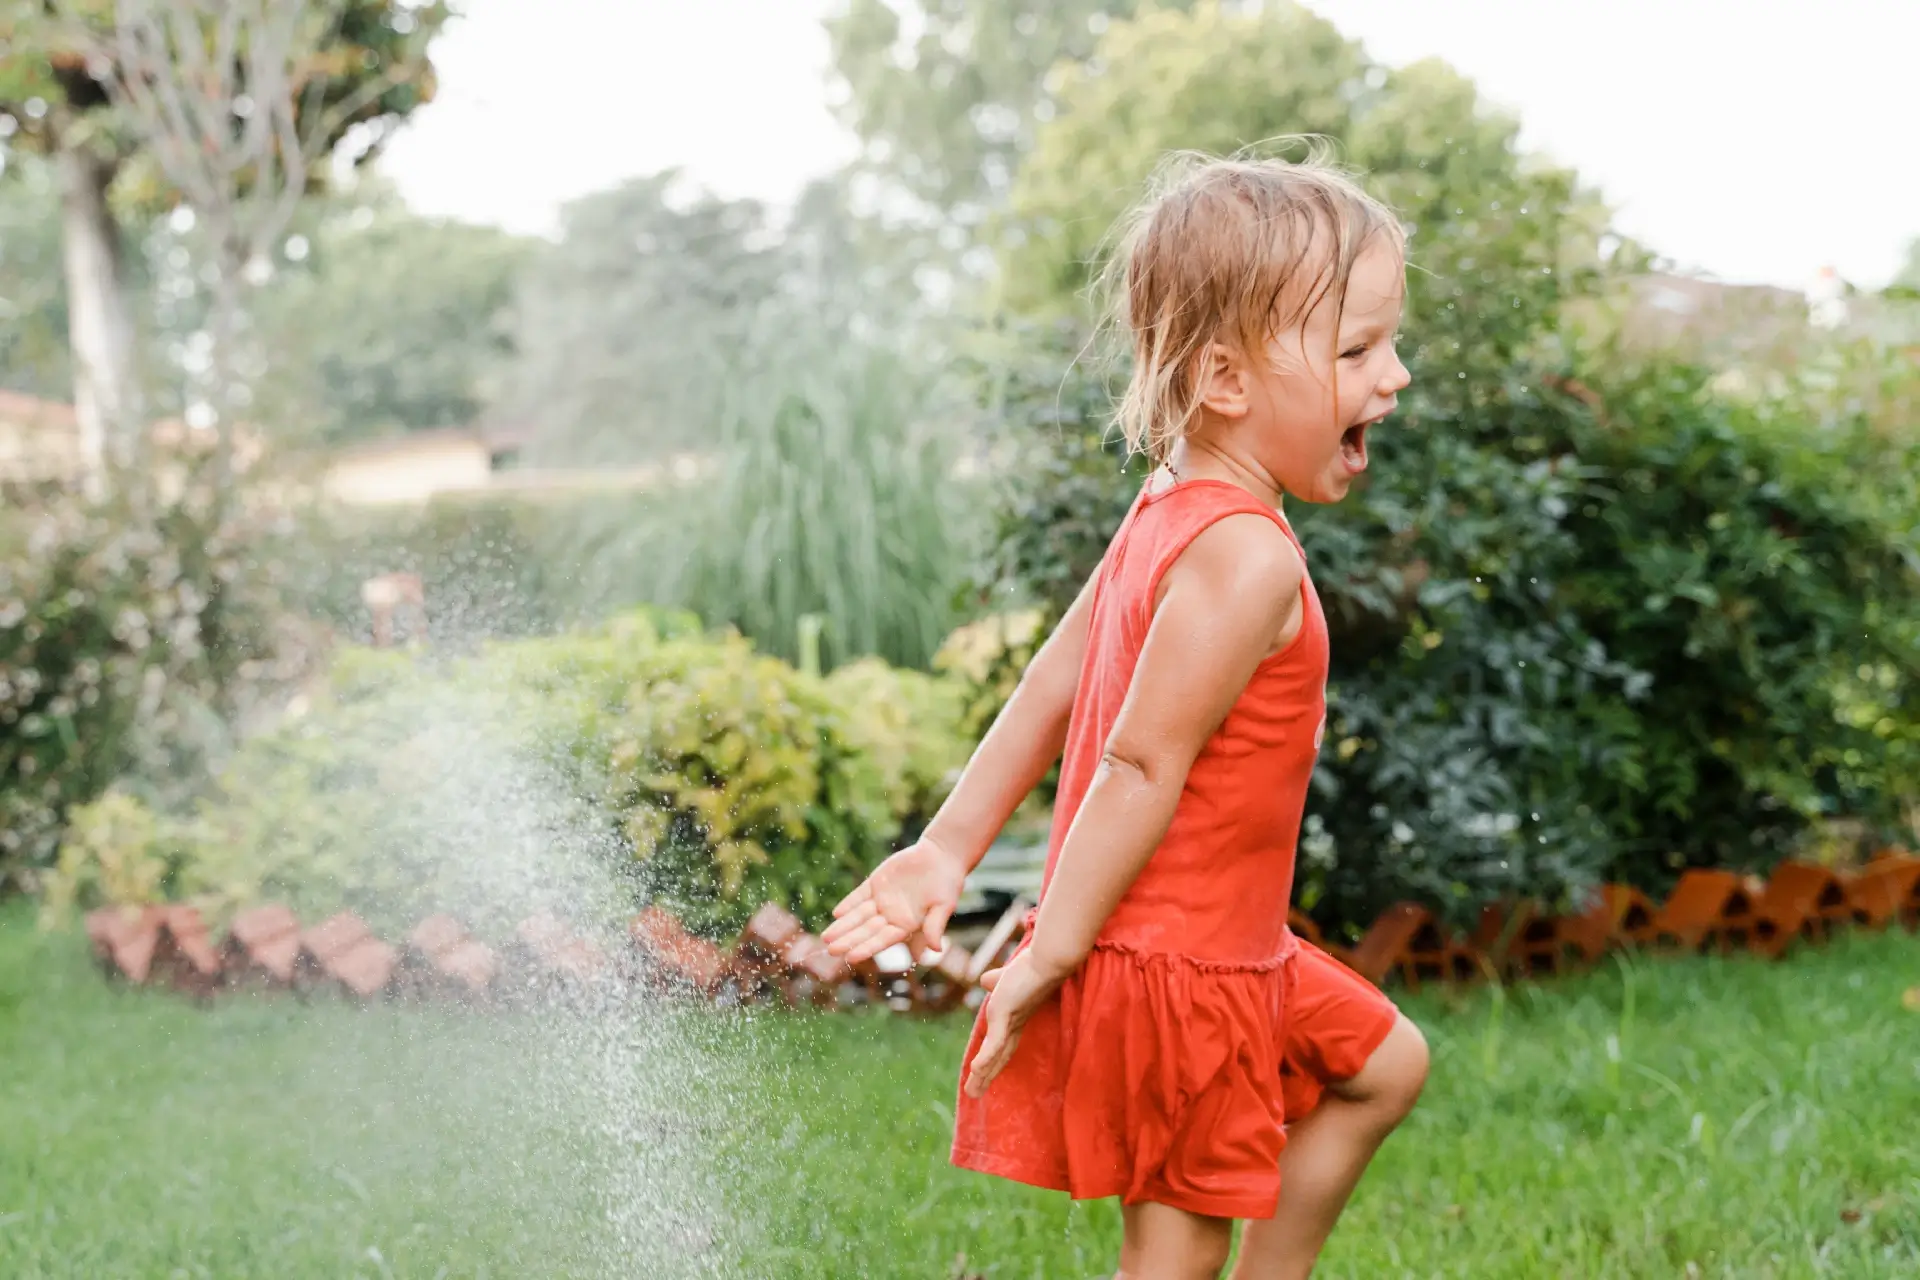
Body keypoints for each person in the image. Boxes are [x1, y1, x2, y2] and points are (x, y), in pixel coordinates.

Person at [825, 151, 1427, 1280]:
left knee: (1385, 1063)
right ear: (1227, 378)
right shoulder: (1242, 554)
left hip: (1223, 949)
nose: (1392, 375)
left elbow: (1059, 671)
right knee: (1171, 1253)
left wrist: (949, 842)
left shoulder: (1170, 501)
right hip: (1177, 970)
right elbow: (1137, 765)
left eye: (1387, 341)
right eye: (1355, 349)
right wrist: (1048, 955)